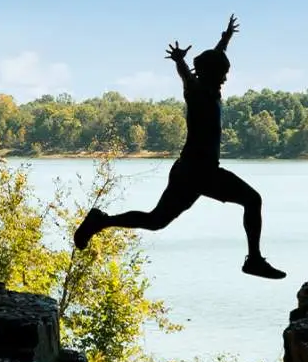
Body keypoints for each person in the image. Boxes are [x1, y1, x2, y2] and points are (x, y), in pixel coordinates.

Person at [73, 15, 286, 279]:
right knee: (252, 200)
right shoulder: (196, 92)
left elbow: (217, 55)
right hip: (197, 172)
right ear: (210, 74)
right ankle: (253, 260)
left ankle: (101, 221)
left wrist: (226, 37)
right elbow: (188, 77)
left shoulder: (211, 88)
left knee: (155, 221)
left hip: (195, 172)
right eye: (223, 75)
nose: (225, 80)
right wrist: (180, 61)